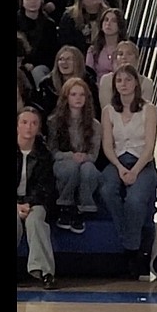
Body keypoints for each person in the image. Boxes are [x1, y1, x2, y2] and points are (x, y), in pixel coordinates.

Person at [99, 65, 157, 279]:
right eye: (119, 81)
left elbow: (150, 147)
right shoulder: (108, 111)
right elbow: (107, 145)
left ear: (136, 83)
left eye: (127, 80)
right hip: (117, 160)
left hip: (142, 161)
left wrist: (134, 171)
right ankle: (129, 238)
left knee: (135, 200)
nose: (123, 84)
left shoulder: (149, 109)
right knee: (107, 190)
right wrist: (120, 168)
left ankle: (131, 249)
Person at [48, 77, 102, 233]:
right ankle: (65, 205)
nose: (78, 98)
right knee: (71, 167)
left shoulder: (95, 125)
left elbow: (94, 155)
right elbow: (53, 152)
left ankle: (82, 208)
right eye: (73, 94)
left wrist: (83, 158)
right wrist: (71, 156)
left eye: (82, 95)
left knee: (88, 169)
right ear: (66, 97)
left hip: (85, 162)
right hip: (63, 161)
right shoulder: (54, 122)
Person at [16, 107, 58, 290]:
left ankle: (45, 272)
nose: (29, 127)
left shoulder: (44, 154)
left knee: (35, 220)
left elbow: (46, 187)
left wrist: (29, 203)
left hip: (35, 201)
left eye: (33, 123)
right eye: (24, 122)